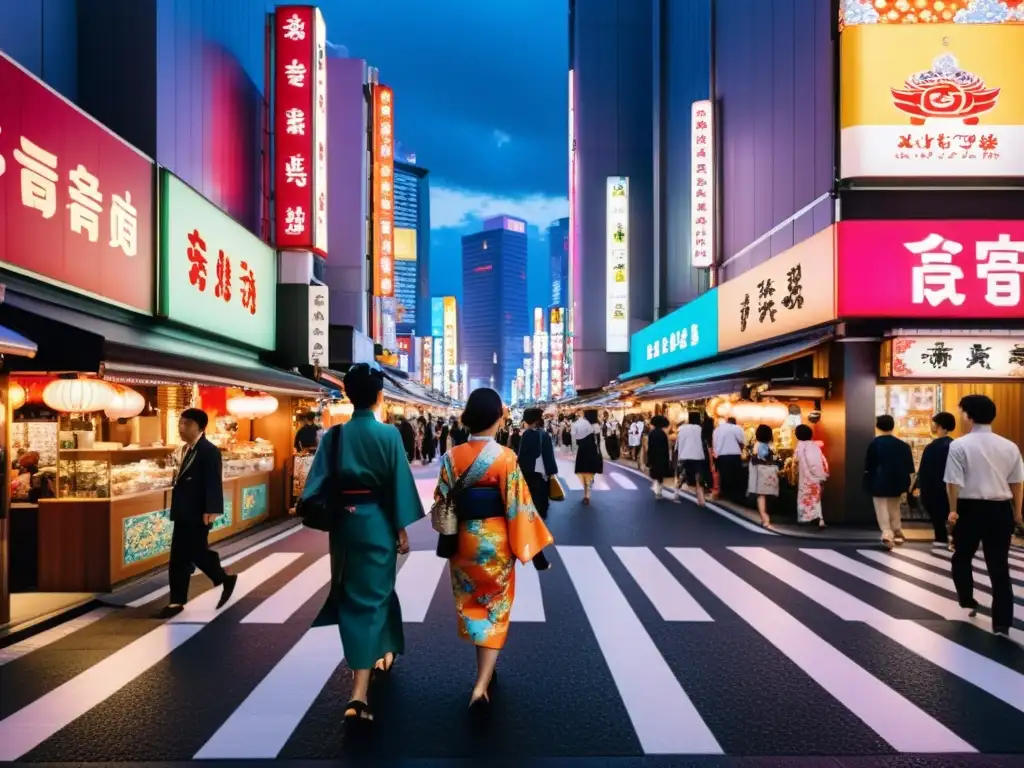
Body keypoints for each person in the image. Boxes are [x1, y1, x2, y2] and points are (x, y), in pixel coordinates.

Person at [301, 363, 424, 724]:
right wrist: (401, 529)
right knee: (373, 596)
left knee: (357, 592)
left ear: (349, 396)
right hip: (377, 522)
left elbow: (314, 485)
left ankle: (383, 650)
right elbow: (398, 485)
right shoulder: (388, 436)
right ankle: (358, 693)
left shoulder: (334, 436)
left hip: (344, 525)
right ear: (380, 397)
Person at [433, 388, 554, 709]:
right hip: (496, 541)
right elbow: (519, 507)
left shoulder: (451, 457)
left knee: (473, 605)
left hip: (462, 542)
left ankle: (483, 672)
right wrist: (535, 552)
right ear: (499, 419)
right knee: (495, 607)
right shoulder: (505, 457)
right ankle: (481, 685)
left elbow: (442, 499)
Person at [945, 394, 1024, 638]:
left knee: (962, 557)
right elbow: (1017, 483)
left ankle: (967, 599)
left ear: (968, 416)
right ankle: (1002, 623)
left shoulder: (958, 445)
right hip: (1001, 510)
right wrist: (1018, 514)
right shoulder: (1009, 446)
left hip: (969, 509)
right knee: (999, 565)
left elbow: (952, 483)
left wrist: (953, 510)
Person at [162, 408, 237, 618]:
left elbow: (213, 481)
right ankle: (176, 601)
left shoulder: (208, 450)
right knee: (179, 555)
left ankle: (222, 578)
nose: (181, 428)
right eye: (180, 423)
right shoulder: (186, 449)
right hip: (184, 510)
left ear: (199, 427)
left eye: (187, 424)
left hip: (198, 511)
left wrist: (211, 509)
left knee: (194, 552)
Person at [864, 414, 915, 549]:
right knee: (894, 506)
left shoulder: (874, 444)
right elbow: (909, 467)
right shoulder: (903, 445)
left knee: (881, 508)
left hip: (878, 481)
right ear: (893, 426)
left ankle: (887, 533)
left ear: (877, 426)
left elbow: (869, 466)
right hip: (897, 482)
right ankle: (897, 530)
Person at [913, 411, 955, 548]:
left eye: (934, 424)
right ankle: (954, 540)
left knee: (938, 520)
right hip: (953, 488)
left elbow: (924, 471)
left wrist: (918, 487)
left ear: (940, 426)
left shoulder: (931, 448)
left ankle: (941, 540)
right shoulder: (956, 445)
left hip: (934, 489)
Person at [516, 407, 558, 519]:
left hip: (529, 477)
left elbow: (522, 458)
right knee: (542, 504)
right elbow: (549, 457)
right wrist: (551, 472)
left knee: (530, 504)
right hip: (543, 476)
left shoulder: (526, 435)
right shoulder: (544, 435)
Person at [793, 424, 827, 528]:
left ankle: (805, 518)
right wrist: (822, 476)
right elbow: (820, 461)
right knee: (816, 499)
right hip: (815, 476)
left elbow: (797, 460)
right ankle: (819, 519)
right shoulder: (814, 446)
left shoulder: (800, 446)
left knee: (804, 497)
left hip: (806, 477)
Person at [748, 424, 780, 529]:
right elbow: (773, 458)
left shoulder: (757, 445)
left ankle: (764, 517)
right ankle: (766, 516)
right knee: (769, 494)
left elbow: (755, 458)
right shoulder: (771, 445)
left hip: (760, 473)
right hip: (770, 472)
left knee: (761, 495)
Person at [675, 411, 707, 506]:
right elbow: (704, 442)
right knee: (698, 478)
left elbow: (679, 443)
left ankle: (676, 493)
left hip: (685, 455)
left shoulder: (682, 429)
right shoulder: (700, 429)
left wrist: (679, 456)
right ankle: (701, 499)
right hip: (698, 456)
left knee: (681, 476)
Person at [572, 409, 604, 505]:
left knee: (584, 473)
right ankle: (589, 488)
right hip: (593, 451)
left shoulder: (581, 424)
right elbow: (598, 441)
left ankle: (586, 495)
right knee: (590, 471)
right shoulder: (596, 426)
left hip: (582, 452)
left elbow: (577, 440)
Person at [712, 416, 745, 502]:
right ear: (735, 422)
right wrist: (741, 450)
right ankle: (734, 495)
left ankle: (723, 493)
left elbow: (714, 444)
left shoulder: (717, 429)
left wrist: (715, 454)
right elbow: (741, 442)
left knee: (723, 475)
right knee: (735, 475)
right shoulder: (737, 428)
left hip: (721, 455)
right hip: (735, 455)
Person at [646, 414, 671, 498]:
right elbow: (666, 448)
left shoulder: (651, 434)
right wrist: (667, 458)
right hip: (662, 456)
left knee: (655, 474)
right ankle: (659, 490)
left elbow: (650, 447)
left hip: (653, 455)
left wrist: (648, 459)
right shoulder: (663, 434)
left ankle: (657, 491)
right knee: (660, 475)